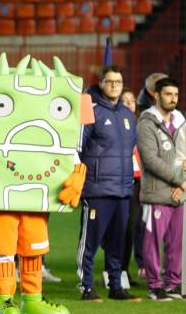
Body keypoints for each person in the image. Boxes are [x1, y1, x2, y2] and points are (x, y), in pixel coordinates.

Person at [76, 65, 140, 302]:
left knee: (117, 242)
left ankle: (116, 286)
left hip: (123, 190)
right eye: (110, 81)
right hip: (97, 189)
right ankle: (86, 286)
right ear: (101, 83)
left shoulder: (127, 116)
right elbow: (78, 149)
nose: (114, 85)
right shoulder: (90, 111)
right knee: (90, 241)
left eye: (118, 82)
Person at [137, 77, 185, 301]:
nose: (173, 99)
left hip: (180, 191)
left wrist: (183, 185)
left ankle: (173, 284)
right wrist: (180, 181)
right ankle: (155, 286)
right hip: (156, 194)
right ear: (156, 95)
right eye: (168, 94)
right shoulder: (147, 123)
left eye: (175, 95)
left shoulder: (181, 121)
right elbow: (150, 160)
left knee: (177, 243)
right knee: (153, 243)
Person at [120, 87, 145, 285]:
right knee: (115, 230)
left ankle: (124, 271)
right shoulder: (115, 124)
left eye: (132, 100)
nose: (129, 103)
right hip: (117, 182)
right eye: (125, 100)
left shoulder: (141, 127)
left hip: (137, 183)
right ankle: (111, 272)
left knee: (130, 229)